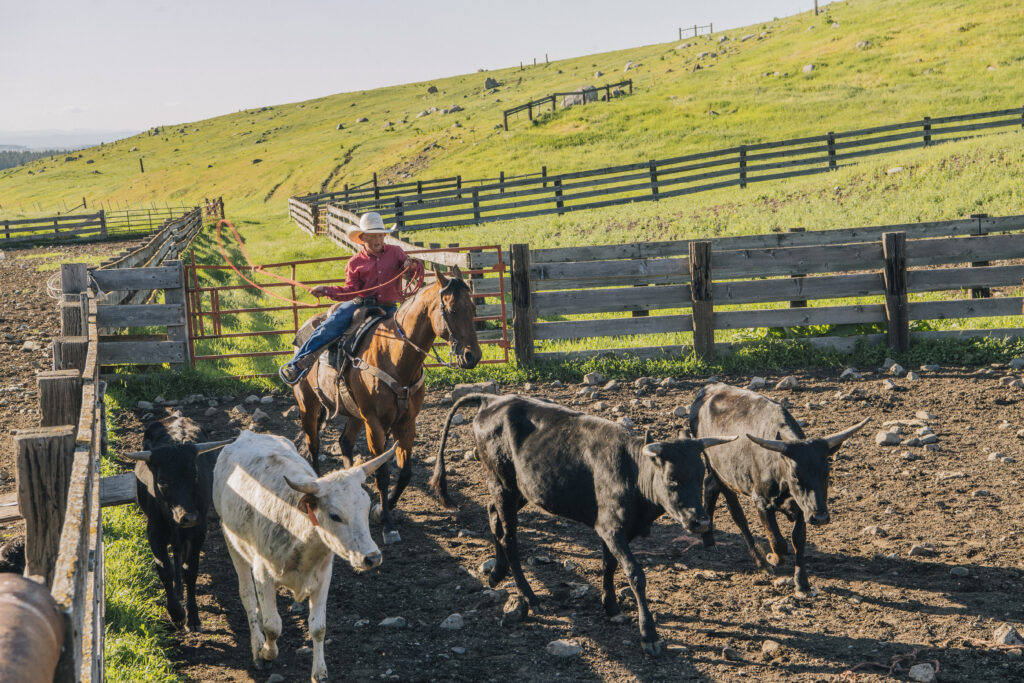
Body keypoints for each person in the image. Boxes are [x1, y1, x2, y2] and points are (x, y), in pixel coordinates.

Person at [279, 212, 421, 385]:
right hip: (360, 304)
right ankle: (297, 365)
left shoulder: (396, 252)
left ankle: (413, 375)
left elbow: (414, 270)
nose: (377, 240)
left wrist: (411, 265)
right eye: (372, 236)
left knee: (413, 332)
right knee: (330, 326)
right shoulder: (355, 262)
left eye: (379, 235)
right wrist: (326, 290)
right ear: (363, 238)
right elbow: (351, 291)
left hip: (390, 306)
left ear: (384, 236)